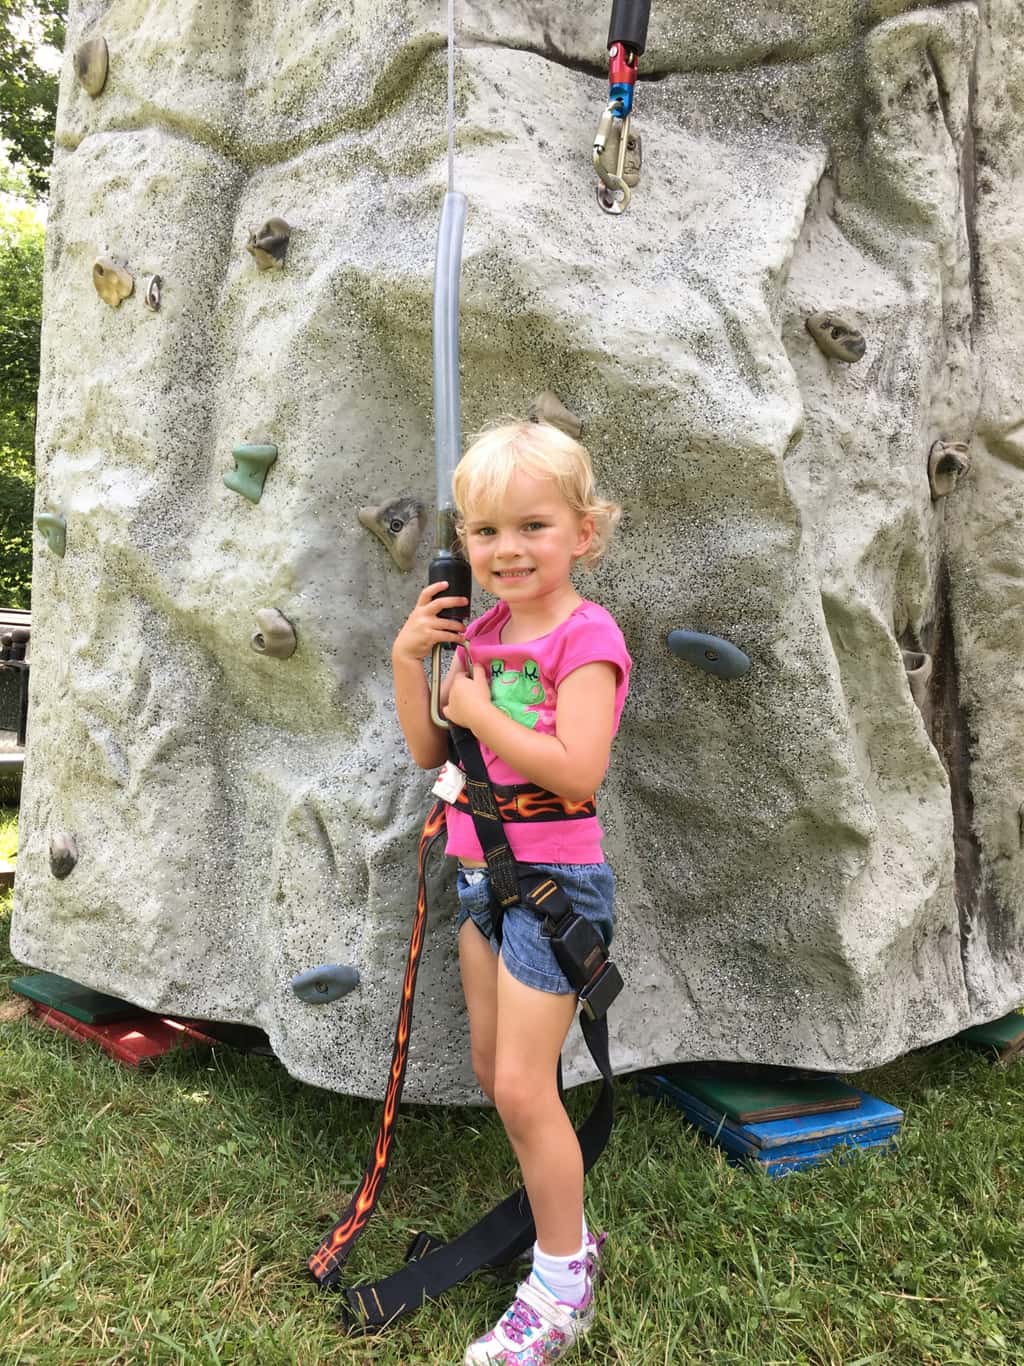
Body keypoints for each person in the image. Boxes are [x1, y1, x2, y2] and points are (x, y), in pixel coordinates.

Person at [391, 419, 632, 1365]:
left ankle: (561, 1279)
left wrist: (484, 707)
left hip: (552, 886)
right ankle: (560, 1230)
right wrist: (414, 660)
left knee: (529, 1088)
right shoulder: (478, 631)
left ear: (583, 532)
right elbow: (431, 751)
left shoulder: (588, 635)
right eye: (485, 531)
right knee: (503, 1079)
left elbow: (577, 772)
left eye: (531, 526)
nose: (506, 549)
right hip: (478, 876)